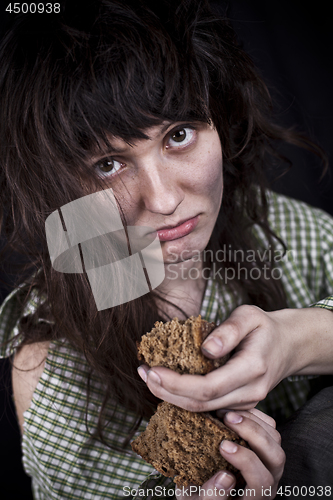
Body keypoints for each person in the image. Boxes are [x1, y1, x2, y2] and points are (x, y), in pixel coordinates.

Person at [0, 0, 332, 498]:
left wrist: (300, 341)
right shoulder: (53, 374)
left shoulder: (283, 231)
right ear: (57, 186)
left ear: (218, 122)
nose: (164, 199)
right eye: (109, 165)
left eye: (178, 135)